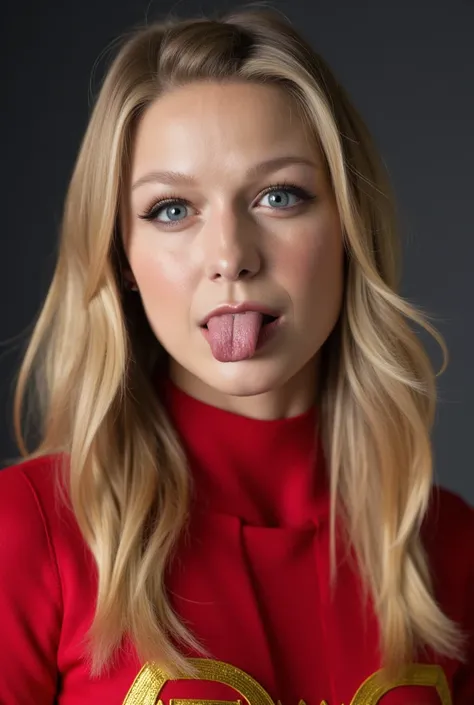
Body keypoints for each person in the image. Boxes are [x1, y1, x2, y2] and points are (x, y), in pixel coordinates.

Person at [0, 4, 472, 704]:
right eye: (171, 209)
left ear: (349, 227)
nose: (230, 257)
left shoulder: (452, 547)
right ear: (120, 256)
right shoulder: (27, 533)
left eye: (279, 196)